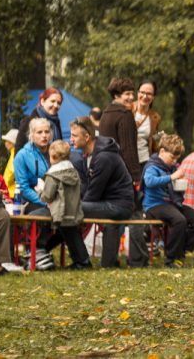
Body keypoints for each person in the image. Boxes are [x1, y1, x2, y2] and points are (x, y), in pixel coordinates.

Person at [72, 116, 136, 268]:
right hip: (109, 203)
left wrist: (76, 205)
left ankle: (81, 260)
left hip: (119, 206)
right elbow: (87, 188)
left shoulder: (103, 157)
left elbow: (93, 194)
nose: (71, 139)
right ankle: (104, 262)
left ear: (87, 137)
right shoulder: (89, 154)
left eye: (74, 136)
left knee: (71, 209)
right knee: (73, 207)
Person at [99, 77, 146, 267]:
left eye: (131, 93)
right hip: (123, 174)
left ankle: (108, 260)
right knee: (135, 214)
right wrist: (135, 176)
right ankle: (138, 259)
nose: (131, 97)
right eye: (127, 94)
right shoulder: (124, 115)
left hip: (107, 173)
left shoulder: (105, 114)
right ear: (117, 95)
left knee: (114, 217)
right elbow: (128, 149)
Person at [142, 134, 194, 268]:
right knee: (180, 220)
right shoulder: (152, 166)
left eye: (176, 159)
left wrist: (180, 184)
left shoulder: (172, 168)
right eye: (172, 157)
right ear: (162, 151)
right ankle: (170, 259)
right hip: (154, 205)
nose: (174, 161)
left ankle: (181, 250)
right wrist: (172, 177)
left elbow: (172, 182)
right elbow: (149, 182)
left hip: (171, 203)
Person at [14, 117, 58, 270]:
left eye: (47, 131)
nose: (44, 135)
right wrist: (45, 201)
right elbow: (24, 188)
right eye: (40, 132)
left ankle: (40, 251)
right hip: (30, 200)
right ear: (31, 134)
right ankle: (36, 251)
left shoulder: (55, 151)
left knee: (68, 217)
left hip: (56, 197)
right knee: (43, 212)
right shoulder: (22, 155)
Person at [39, 140, 92, 269]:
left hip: (60, 211)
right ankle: (43, 250)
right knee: (70, 235)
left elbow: (47, 196)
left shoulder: (53, 175)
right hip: (73, 210)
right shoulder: (73, 172)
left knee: (71, 237)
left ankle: (82, 261)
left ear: (54, 157)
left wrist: (40, 191)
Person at [132, 80, 161, 174]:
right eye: (142, 92)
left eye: (149, 94)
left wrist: (161, 137)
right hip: (126, 161)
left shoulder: (155, 117)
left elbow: (152, 139)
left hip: (144, 161)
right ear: (138, 93)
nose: (145, 96)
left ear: (153, 97)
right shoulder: (127, 109)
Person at [2, 128, 19, 196]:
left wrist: (3, 185)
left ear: (12, 142)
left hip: (11, 192)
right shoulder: (14, 153)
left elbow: (12, 171)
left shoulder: (15, 154)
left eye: (7, 141)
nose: (5, 143)